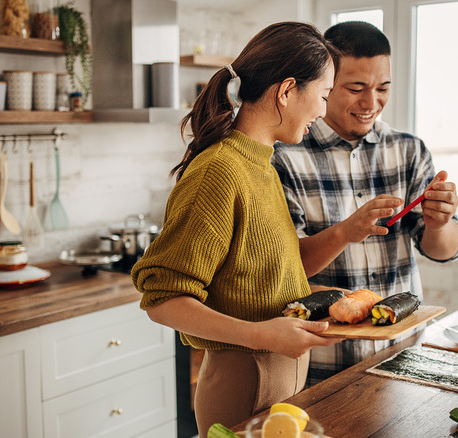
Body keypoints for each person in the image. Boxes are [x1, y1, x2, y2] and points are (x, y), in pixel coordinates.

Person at [131, 22, 343, 435]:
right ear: (286, 92)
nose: (322, 112)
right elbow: (162, 298)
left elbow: (254, 277)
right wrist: (261, 335)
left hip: (280, 381)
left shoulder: (261, 165)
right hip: (242, 383)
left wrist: (326, 299)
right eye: (322, 96)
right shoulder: (219, 171)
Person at [272, 21, 458, 386]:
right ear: (325, 83)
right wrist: (346, 232)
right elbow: (288, 269)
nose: (371, 103)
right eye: (356, 88)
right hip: (321, 363)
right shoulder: (286, 157)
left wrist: (441, 223)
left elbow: (441, 252)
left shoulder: (409, 150)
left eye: (383, 88)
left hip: (405, 356)